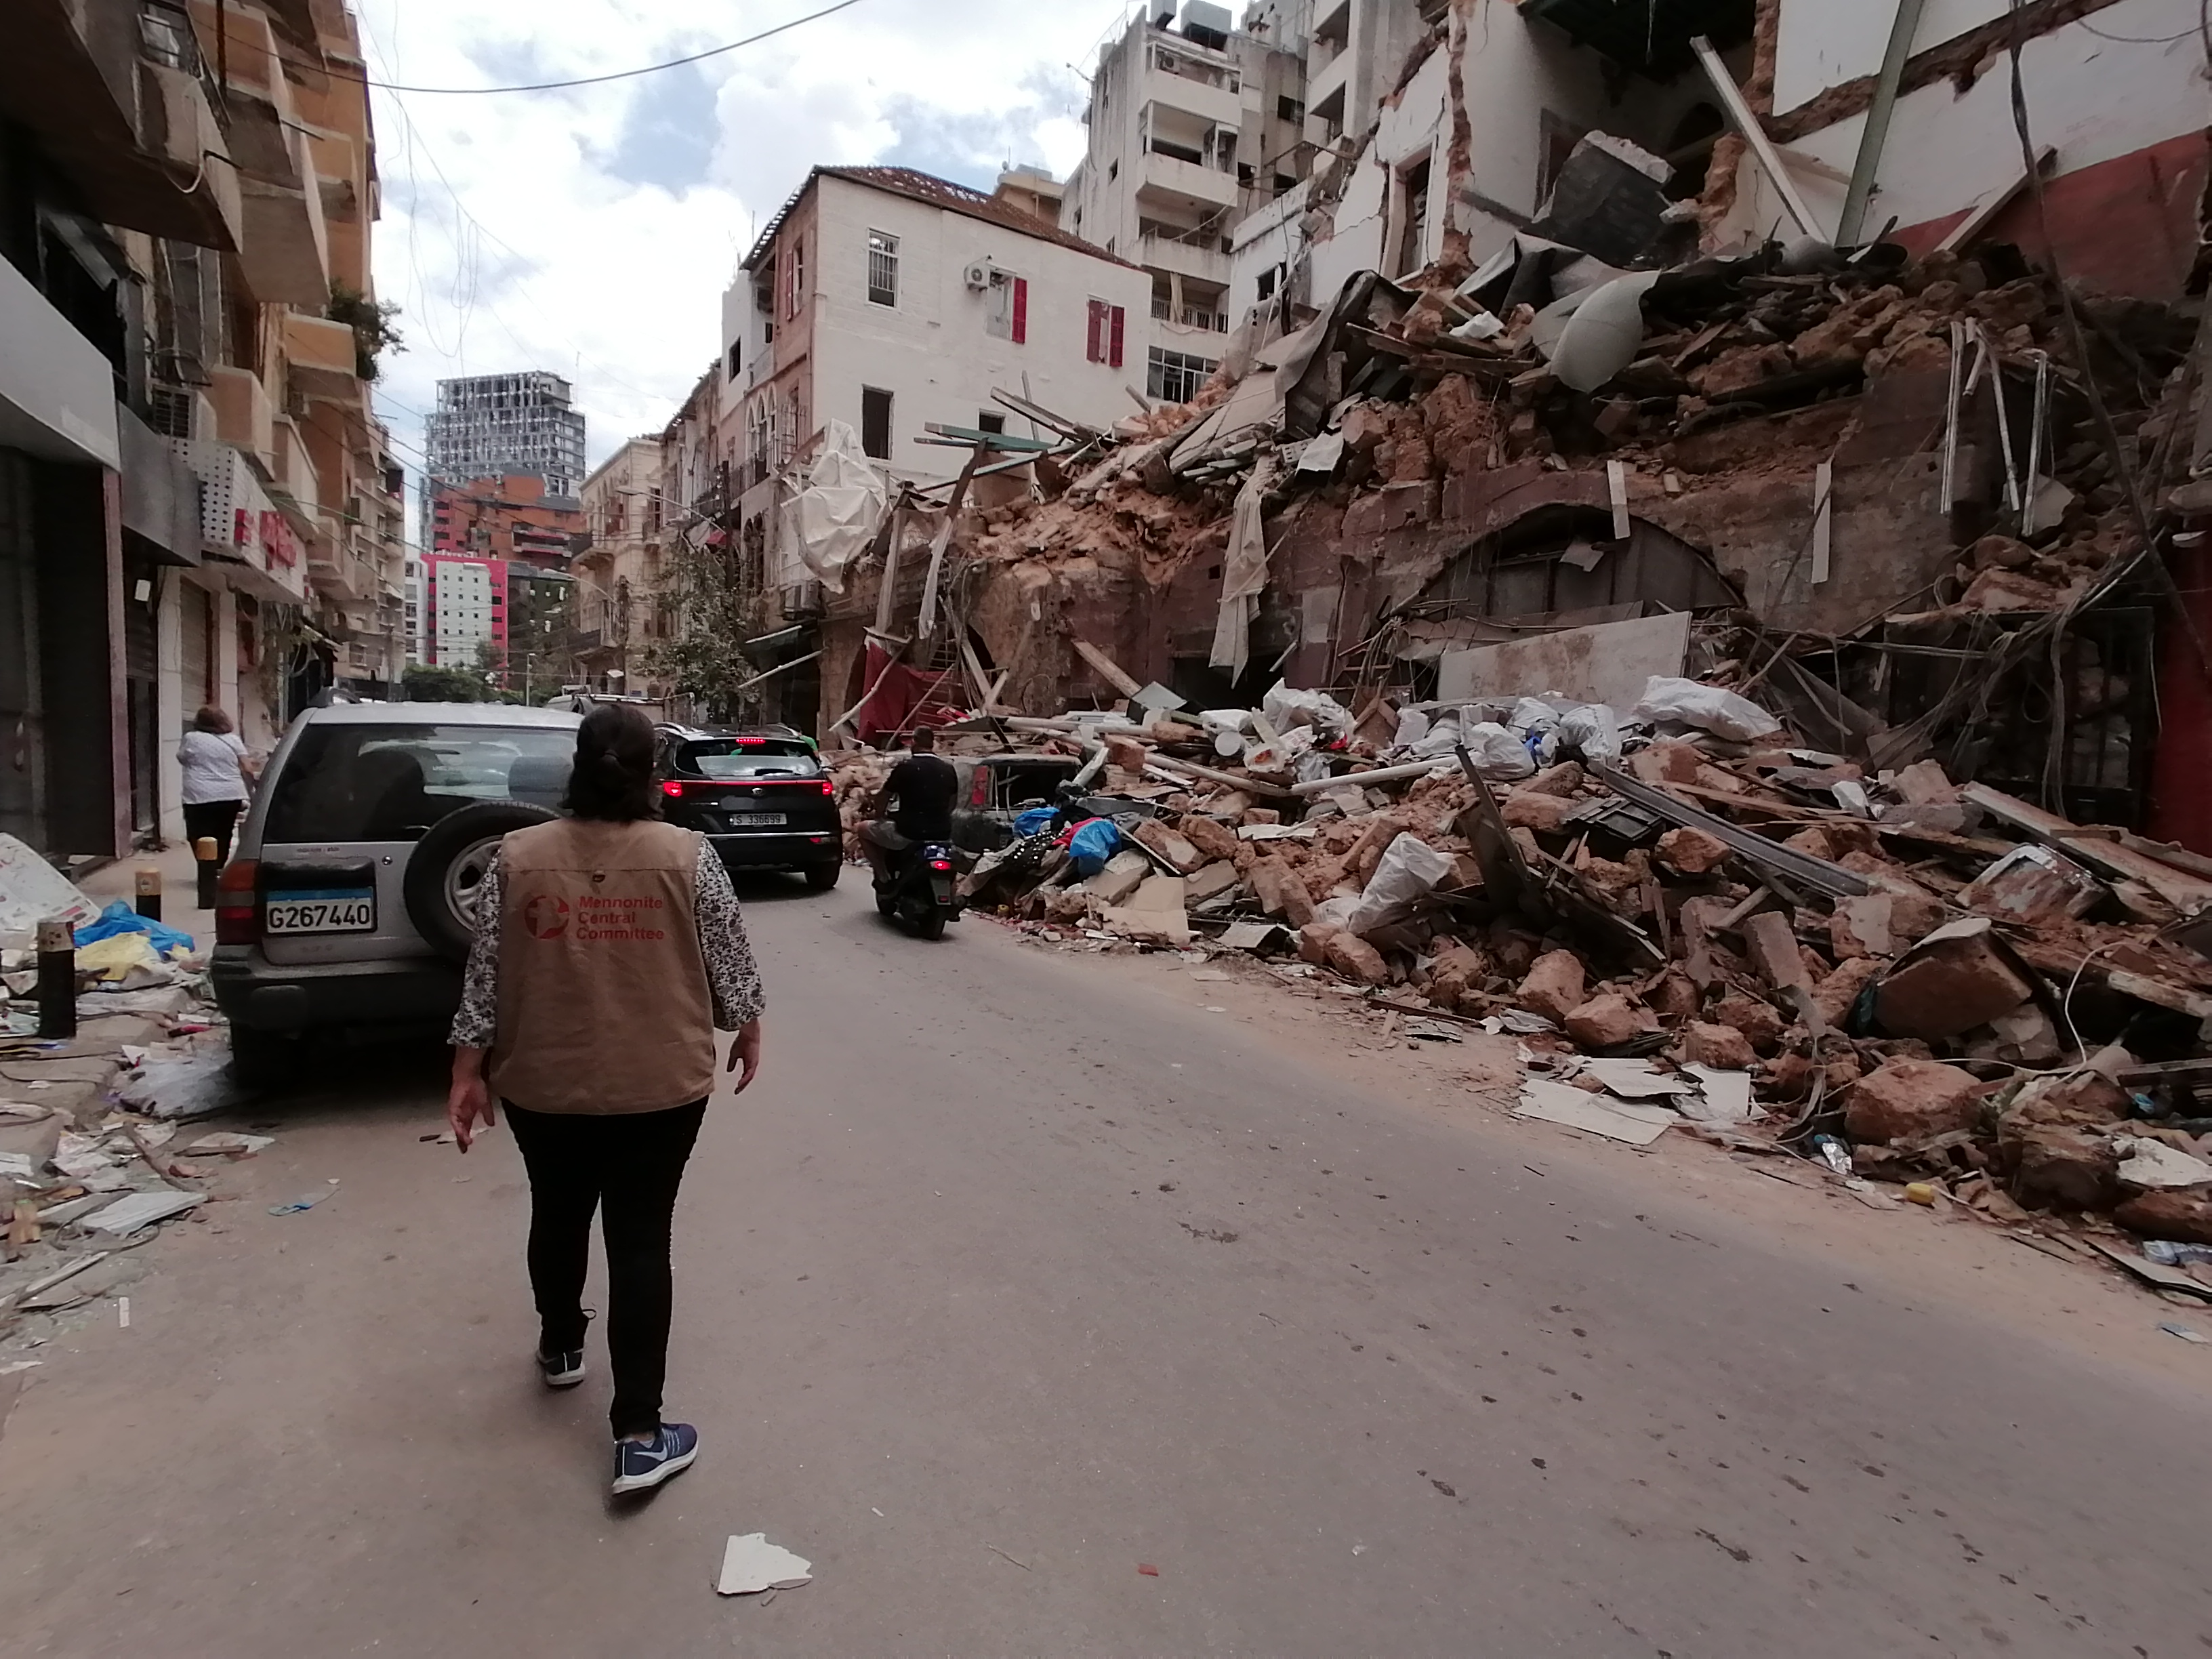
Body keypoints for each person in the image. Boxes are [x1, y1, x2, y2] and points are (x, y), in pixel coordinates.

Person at [445, 704, 766, 1496]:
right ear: (652, 769)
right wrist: (748, 1026)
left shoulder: (516, 857)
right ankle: (639, 1433)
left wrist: (466, 1071)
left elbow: (483, 978)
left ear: (578, 766)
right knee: (639, 1239)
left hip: (542, 1085)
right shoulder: (688, 855)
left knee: (556, 1211)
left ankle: (560, 1349)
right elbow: (731, 968)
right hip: (659, 1086)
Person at [177, 706, 252, 865]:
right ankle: (218, 866)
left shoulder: (191, 738)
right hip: (230, 794)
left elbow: (182, 758)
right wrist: (250, 790)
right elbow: (247, 767)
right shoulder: (233, 739)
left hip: (199, 795)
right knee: (224, 832)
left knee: (198, 834)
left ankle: (206, 867)